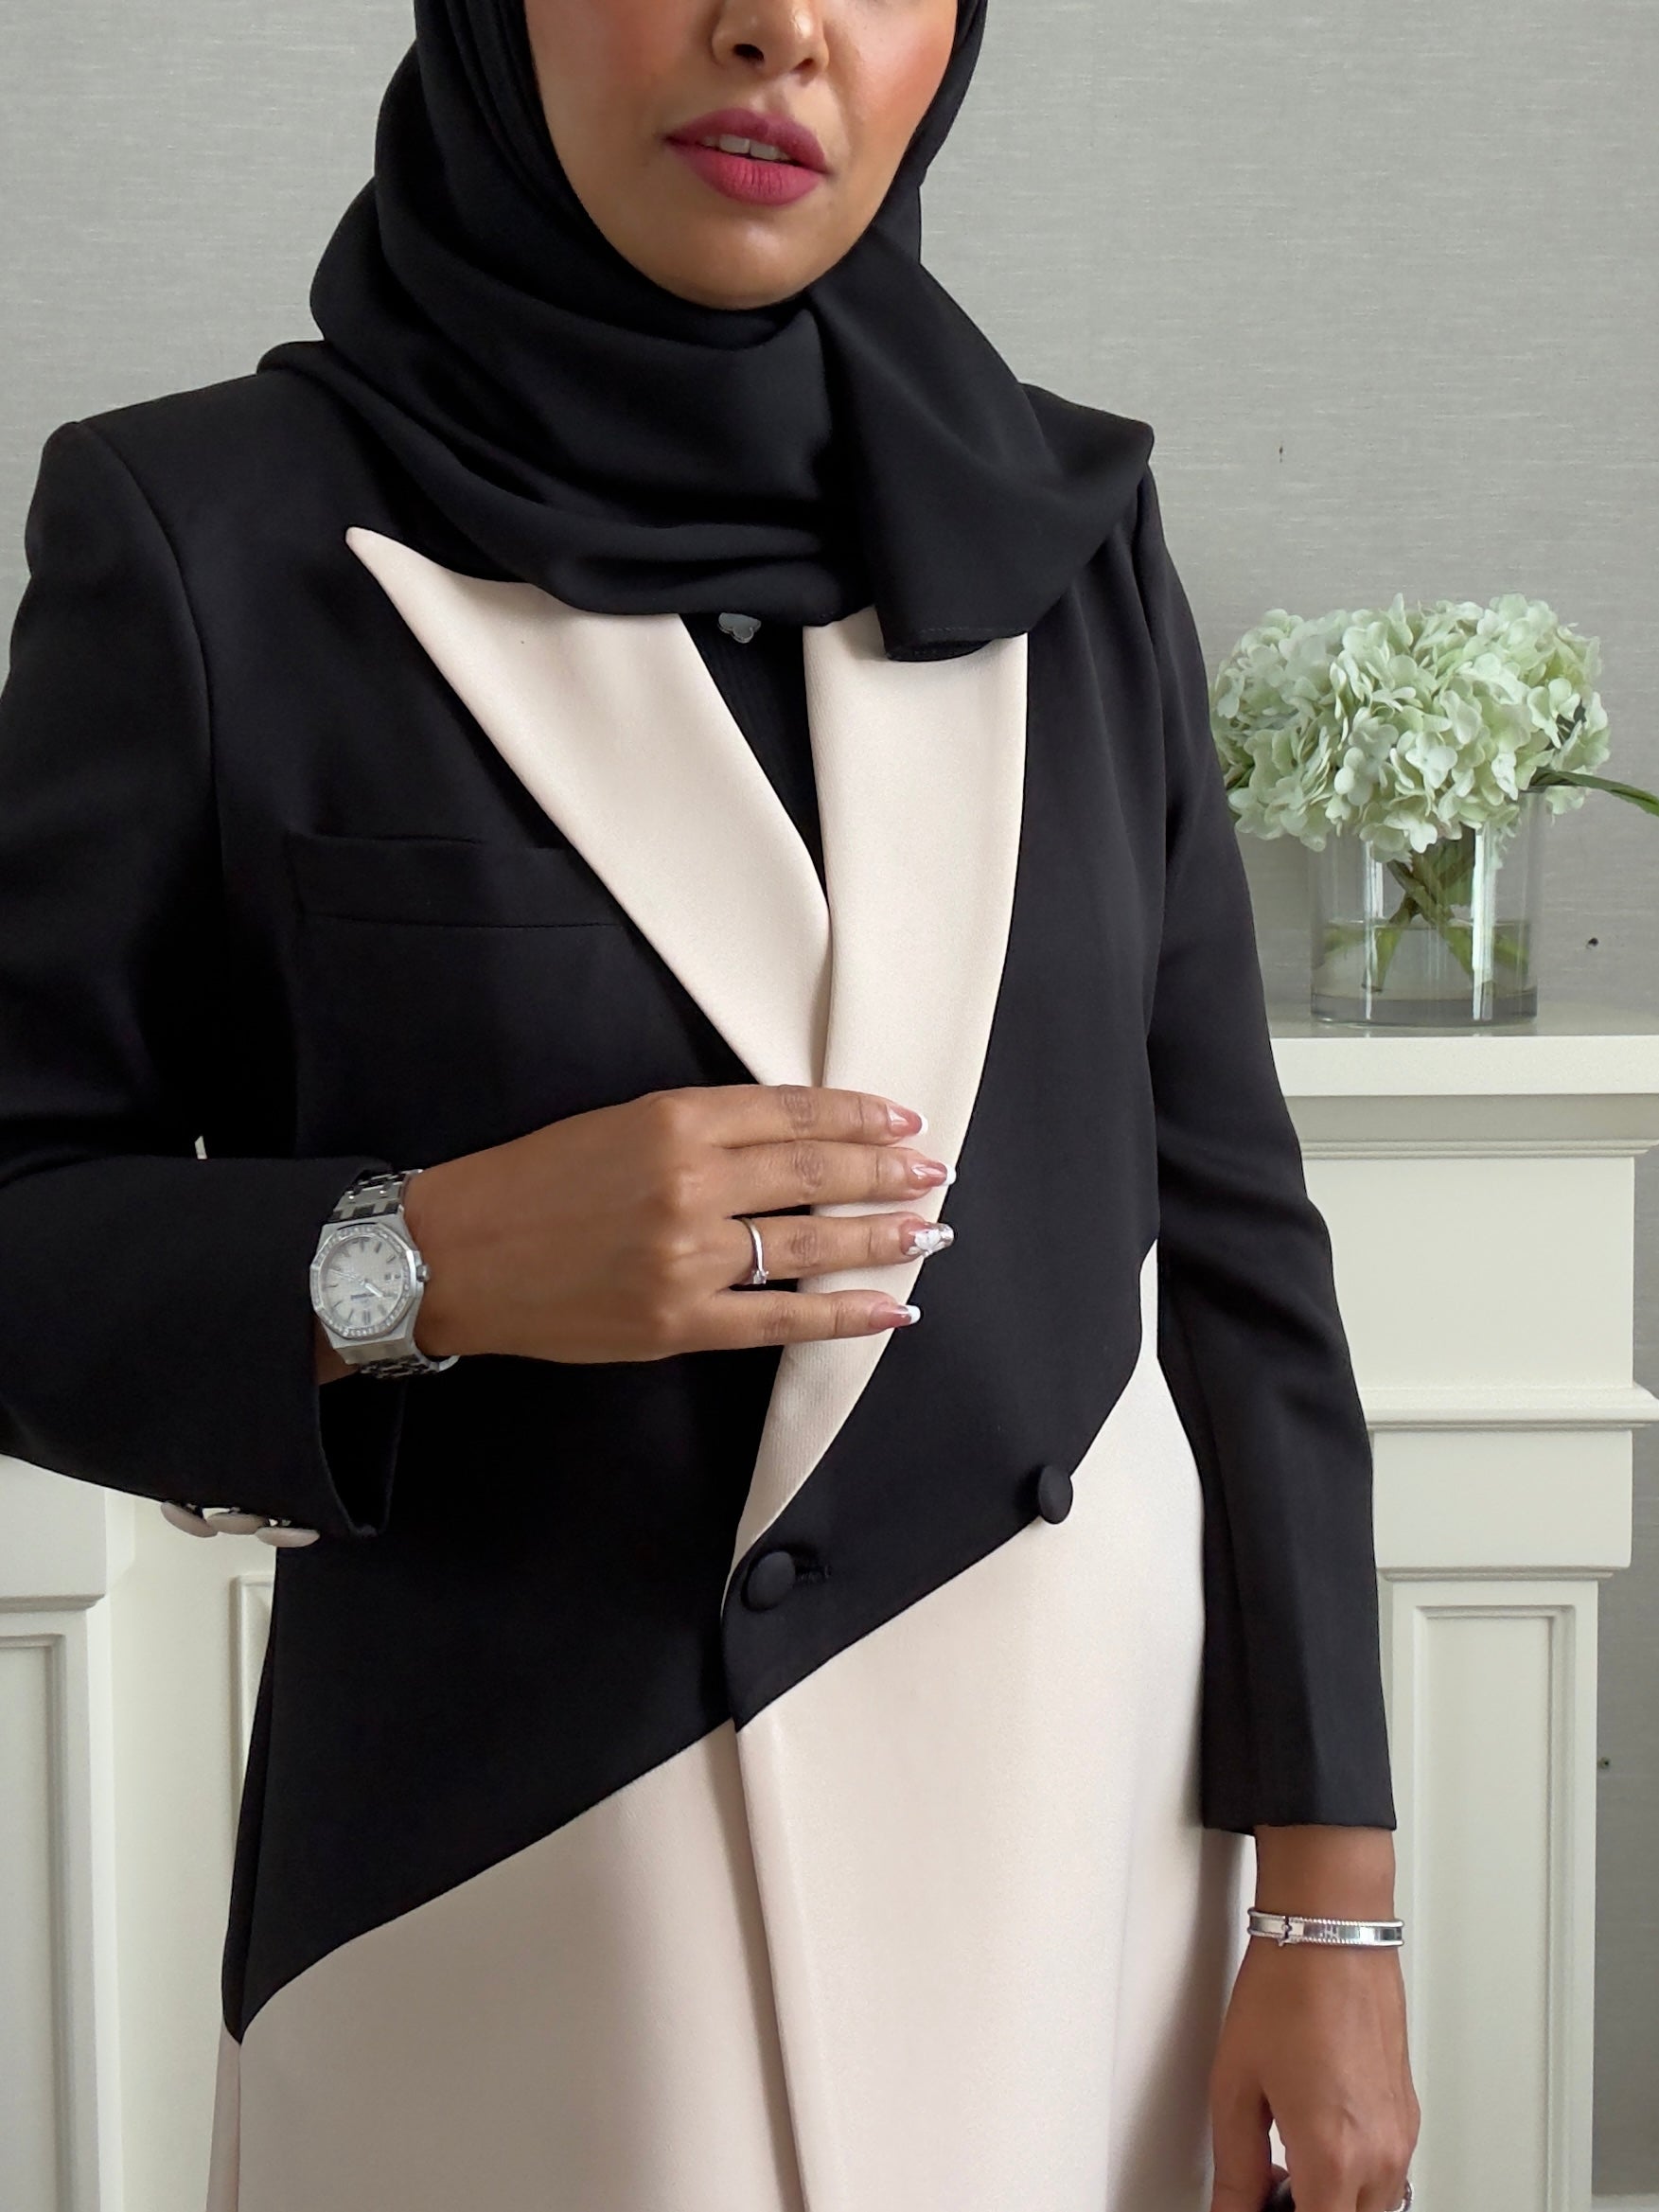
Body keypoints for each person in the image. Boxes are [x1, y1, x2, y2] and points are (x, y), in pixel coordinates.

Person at [0, 1, 1421, 2207]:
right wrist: (426, 1258)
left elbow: (1238, 1255)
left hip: (1075, 1867)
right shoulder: (204, 532)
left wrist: (1330, 1907)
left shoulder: (1067, 531)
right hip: (518, 1896)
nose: (777, 24)